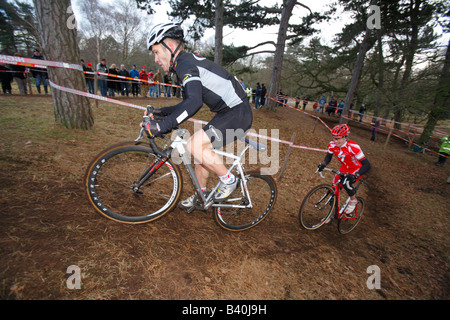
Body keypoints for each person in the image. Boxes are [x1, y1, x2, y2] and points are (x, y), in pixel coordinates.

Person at [143, 22, 252, 210]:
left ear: (169, 47)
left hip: (238, 113)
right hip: (227, 113)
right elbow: (186, 103)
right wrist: (160, 113)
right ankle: (201, 196)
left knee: (194, 144)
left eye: (156, 52)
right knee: (200, 155)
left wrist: (162, 126)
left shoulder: (185, 65)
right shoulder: (184, 64)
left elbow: (194, 103)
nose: (155, 59)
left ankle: (229, 180)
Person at [317, 124, 371, 215]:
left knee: (346, 182)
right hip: (344, 168)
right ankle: (332, 213)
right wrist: (323, 164)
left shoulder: (353, 147)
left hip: (356, 168)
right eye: (334, 138)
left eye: (338, 138)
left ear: (345, 137)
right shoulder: (331, 145)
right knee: (334, 188)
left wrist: (356, 175)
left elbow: (367, 165)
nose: (335, 141)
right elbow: (328, 157)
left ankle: (353, 200)